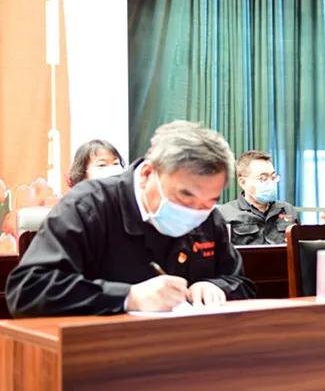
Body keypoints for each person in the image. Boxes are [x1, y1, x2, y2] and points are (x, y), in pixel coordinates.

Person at [7, 121, 255, 317]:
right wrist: (128, 297)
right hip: (103, 351)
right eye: (185, 196)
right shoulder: (88, 206)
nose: (195, 212)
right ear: (148, 174)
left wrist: (216, 287)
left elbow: (241, 283)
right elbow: (28, 290)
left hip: (189, 348)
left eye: (210, 200)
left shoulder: (208, 217)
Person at [218, 151, 297, 245]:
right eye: (263, 178)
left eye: (273, 177)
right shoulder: (225, 214)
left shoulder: (288, 210)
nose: (270, 183)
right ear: (243, 182)